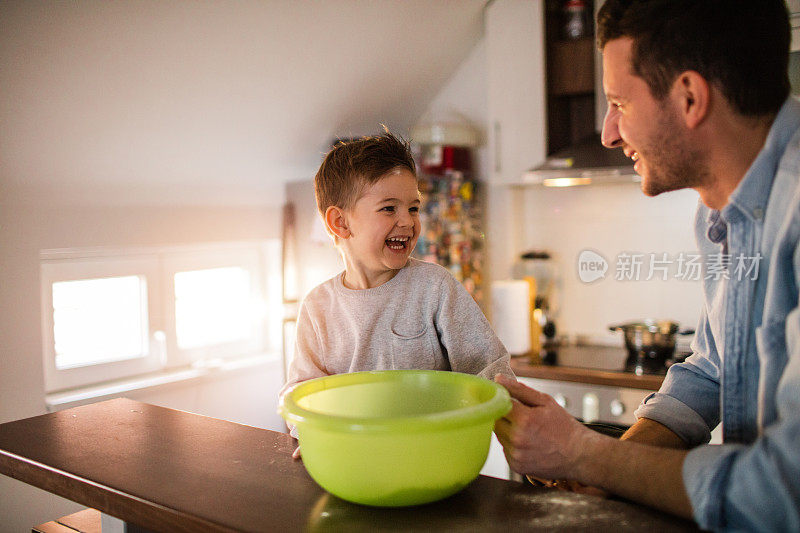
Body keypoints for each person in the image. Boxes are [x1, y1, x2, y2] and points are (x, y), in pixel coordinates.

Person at [493, 0, 800, 530]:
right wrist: (601, 467)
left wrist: (583, 455)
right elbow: (713, 368)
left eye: (619, 103)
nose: (609, 132)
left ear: (689, 98)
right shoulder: (718, 212)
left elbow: (783, 492)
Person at [281, 130, 514, 450]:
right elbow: (301, 396)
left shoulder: (435, 289)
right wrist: (310, 440)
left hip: (435, 460)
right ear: (340, 223)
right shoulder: (317, 307)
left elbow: (492, 373)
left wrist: (517, 435)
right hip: (354, 463)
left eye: (414, 208)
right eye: (389, 208)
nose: (408, 221)